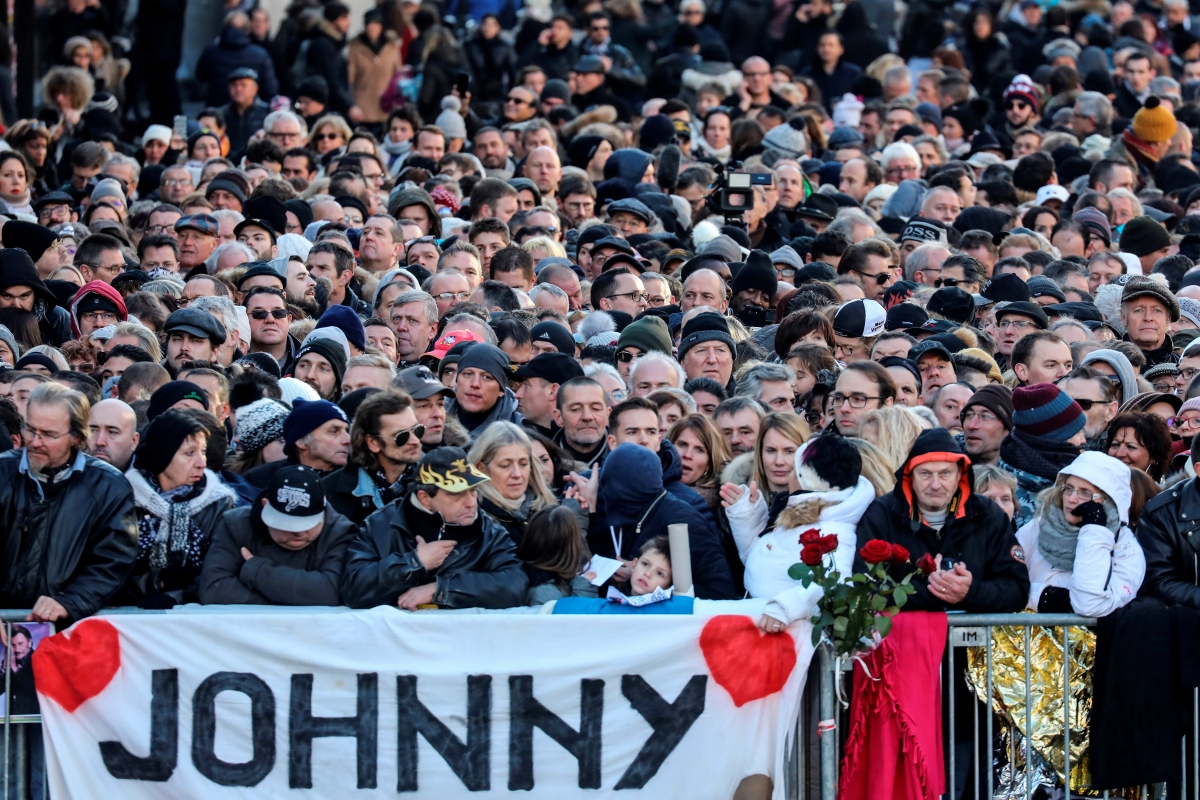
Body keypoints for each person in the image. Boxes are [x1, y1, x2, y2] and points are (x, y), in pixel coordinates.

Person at [0, 383, 137, 622]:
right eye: (30, 429)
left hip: (68, 631)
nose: (34, 441)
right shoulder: (3, 472)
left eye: (49, 434)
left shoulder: (108, 487)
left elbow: (112, 562)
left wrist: (71, 600)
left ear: (76, 437)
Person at [340, 446, 529, 610]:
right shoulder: (380, 524)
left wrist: (441, 589)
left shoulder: (489, 531)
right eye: (457, 495)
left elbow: (515, 584)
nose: (471, 503)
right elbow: (352, 587)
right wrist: (414, 563)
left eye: (473, 491)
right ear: (425, 498)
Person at [726, 435, 876, 633]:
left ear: (803, 478)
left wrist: (785, 607)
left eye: (794, 471)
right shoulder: (802, 518)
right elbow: (761, 561)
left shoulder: (833, 532)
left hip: (785, 635)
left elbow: (834, 586)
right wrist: (748, 514)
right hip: (763, 626)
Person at [585, 442, 737, 599]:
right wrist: (590, 508)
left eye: (607, 485)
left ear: (622, 489)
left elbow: (720, 591)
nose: (605, 492)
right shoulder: (636, 510)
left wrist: (650, 578)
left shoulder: (685, 524)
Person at [122, 409, 239, 607]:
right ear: (162, 455)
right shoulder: (124, 499)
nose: (202, 463)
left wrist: (176, 596)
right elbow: (108, 570)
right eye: (189, 453)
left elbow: (219, 574)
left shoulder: (219, 505)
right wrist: (154, 583)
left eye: (202, 452)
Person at [198, 465, 358, 605]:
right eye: (287, 524)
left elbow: (330, 592)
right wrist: (296, 597)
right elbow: (213, 588)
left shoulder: (340, 532)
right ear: (265, 506)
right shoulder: (236, 524)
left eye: (308, 524)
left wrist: (256, 569)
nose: (299, 532)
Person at [1015, 451, 1144, 616]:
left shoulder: (1126, 550)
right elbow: (1007, 584)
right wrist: (1042, 596)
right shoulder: (1037, 528)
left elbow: (1088, 604)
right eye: (1069, 489)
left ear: (1109, 500)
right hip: (1022, 638)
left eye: (1085, 493)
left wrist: (1095, 530)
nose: (1072, 499)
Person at [323, 390, 424, 524]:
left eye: (417, 430)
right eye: (402, 436)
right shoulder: (329, 492)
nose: (415, 441)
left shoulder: (436, 480)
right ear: (373, 442)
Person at [997, 384, 1087, 528]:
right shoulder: (1001, 495)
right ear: (1051, 442)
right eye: (1077, 433)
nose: (1083, 440)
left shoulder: (1076, 474)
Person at [468, 421, 557, 546]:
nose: (517, 474)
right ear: (482, 469)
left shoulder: (548, 508)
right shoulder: (475, 520)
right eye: (505, 465)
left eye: (523, 464)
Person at [518, 505, 598, 605]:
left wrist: (575, 507)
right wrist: (584, 589)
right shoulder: (544, 594)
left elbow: (561, 533)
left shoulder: (558, 570)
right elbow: (579, 619)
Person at [447, 342, 522, 439]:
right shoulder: (433, 419)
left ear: (501, 390)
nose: (475, 384)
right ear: (457, 381)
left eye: (486, 377)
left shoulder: (520, 431)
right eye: (468, 374)